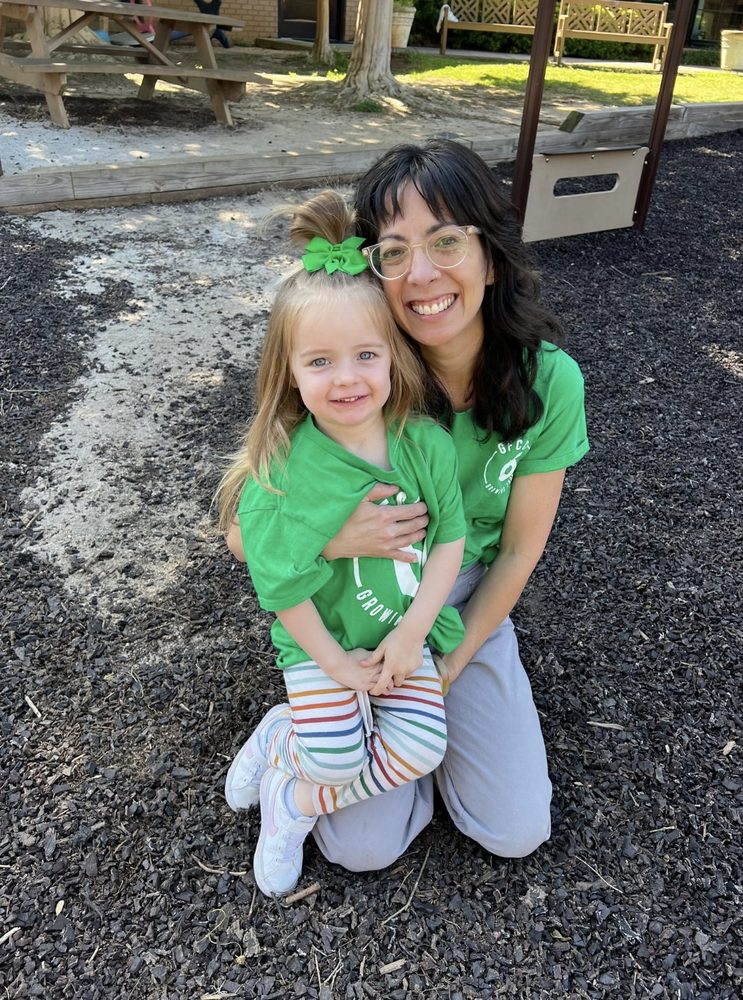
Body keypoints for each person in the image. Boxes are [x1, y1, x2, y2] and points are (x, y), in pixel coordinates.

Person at [227, 139, 589, 872]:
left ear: (492, 254)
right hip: (354, 604)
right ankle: (295, 740)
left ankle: (414, 739)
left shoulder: (547, 383)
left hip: (457, 598)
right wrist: (331, 539)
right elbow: (243, 536)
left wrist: (448, 658)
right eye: (393, 252)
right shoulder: (355, 367)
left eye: (447, 241)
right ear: (372, 270)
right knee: (362, 847)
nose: (422, 273)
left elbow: (517, 548)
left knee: (514, 830)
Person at [217, 190, 467, 897]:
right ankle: (286, 741)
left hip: (402, 637)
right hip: (321, 644)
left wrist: (414, 633)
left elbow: (449, 541)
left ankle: (289, 802)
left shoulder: (423, 444)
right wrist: (335, 664)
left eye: (364, 355)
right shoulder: (284, 467)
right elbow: (280, 582)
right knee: (331, 757)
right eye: (320, 362)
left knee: (421, 746)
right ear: (289, 373)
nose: (348, 377)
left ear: (392, 358)